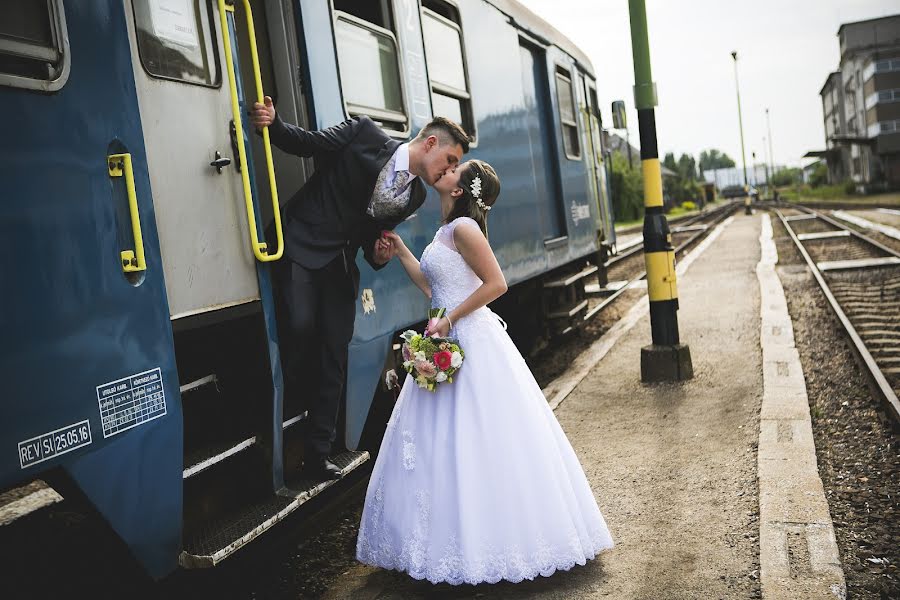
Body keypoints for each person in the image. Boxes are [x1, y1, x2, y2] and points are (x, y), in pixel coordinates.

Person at [356, 160, 614, 584]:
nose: (446, 169)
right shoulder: (446, 231)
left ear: (459, 190)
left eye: (456, 170)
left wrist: (450, 319)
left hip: (471, 341)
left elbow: (496, 284)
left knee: (479, 440)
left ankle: (487, 547)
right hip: (447, 338)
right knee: (441, 443)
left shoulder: (465, 230)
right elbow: (433, 287)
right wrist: (402, 251)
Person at [249, 97, 470, 480]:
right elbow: (309, 143)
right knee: (300, 326)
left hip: (339, 261)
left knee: (336, 348)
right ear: (431, 144)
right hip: (301, 240)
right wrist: (274, 123)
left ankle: (318, 455)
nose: (451, 171)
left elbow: (371, 237)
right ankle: (269, 424)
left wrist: (379, 253)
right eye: (450, 160)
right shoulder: (364, 134)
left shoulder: (415, 195)